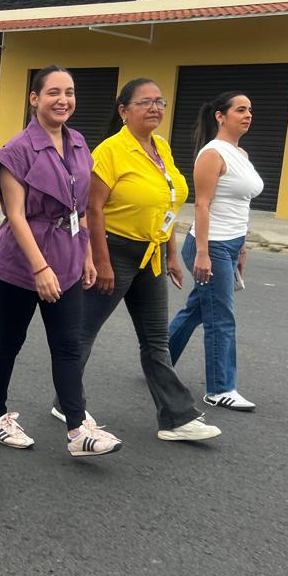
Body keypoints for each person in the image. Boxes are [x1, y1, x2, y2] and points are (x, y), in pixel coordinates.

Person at [0, 66, 122, 457]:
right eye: (53, 93)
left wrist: (88, 255)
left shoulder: (77, 142)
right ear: (34, 99)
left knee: (68, 345)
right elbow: (16, 216)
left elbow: (80, 208)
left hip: (68, 254)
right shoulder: (17, 151)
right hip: (21, 261)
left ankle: (78, 430)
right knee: (10, 340)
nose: (63, 100)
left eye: (69, 92)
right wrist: (40, 268)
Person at [77, 78, 220, 442]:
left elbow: (164, 202)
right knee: (82, 334)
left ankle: (177, 418)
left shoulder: (161, 147)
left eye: (160, 102)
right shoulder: (110, 151)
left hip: (151, 255)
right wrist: (102, 262)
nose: (155, 108)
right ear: (124, 111)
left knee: (156, 341)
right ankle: (68, 401)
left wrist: (171, 253)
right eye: (145, 102)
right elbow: (93, 209)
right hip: (115, 250)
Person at [168, 92, 264, 411]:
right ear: (221, 116)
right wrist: (203, 253)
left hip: (231, 243)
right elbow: (202, 205)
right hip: (211, 245)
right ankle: (220, 388)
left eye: (250, 110)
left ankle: (157, 361)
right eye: (240, 110)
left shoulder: (241, 154)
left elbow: (241, 205)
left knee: (198, 309)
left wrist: (243, 246)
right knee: (221, 316)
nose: (248, 115)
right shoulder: (212, 154)